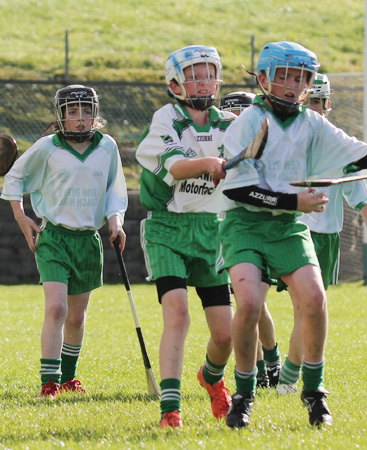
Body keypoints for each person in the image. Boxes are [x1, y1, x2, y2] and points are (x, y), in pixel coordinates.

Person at [217, 41, 367, 428]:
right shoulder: (246, 124)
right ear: (263, 79)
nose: (292, 86)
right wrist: (294, 202)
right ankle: (243, 394)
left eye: (301, 78)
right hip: (244, 225)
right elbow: (237, 190)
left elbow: (353, 151)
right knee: (250, 306)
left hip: (287, 227)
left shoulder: (311, 122)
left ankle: (314, 392)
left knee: (315, 299)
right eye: (285, 77)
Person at [1, 85, 127, 399]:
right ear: (61, 116)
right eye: (72, 112)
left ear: (95, 115)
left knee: (76, 316)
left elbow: (115, 190)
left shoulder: (107, 146)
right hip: (54, 238)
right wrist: (22, 217)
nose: (80, 118)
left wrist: (116, 221)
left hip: (88, 240)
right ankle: (49, 383)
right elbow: (14, 178)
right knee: (56, 308)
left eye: (86, 111)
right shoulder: (47, 147)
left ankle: (69, 378)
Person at [136, 45, 235, 428]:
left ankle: (211, 377)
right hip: (168, 230)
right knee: (177, 314)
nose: (203, 80)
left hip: (214, 231)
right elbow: (175, 167)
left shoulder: (231, 122)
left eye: (209, 72)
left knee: (225, 336)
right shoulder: (166, 119)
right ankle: (170, 409)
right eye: (194, 74)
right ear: (174, 83)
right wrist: (209, 163)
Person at [276, 73, 367, 395]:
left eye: (317, 101)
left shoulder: (337, 143)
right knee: (263, 302)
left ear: (326, 103)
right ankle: (275, 370)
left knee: (306, 309)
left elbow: (360, 187)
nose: (313, 107)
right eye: (308, 100)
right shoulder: (288, 138)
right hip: (288, 228)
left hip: (324, 235)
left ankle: (287, 373)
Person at [219, 91, 281, 389]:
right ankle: (260, 370)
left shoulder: (270, 152)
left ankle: (271, 363)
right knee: (248, 306)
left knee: (255, 305)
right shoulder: (220, 148)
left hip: (263, 232)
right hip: (228, 233)